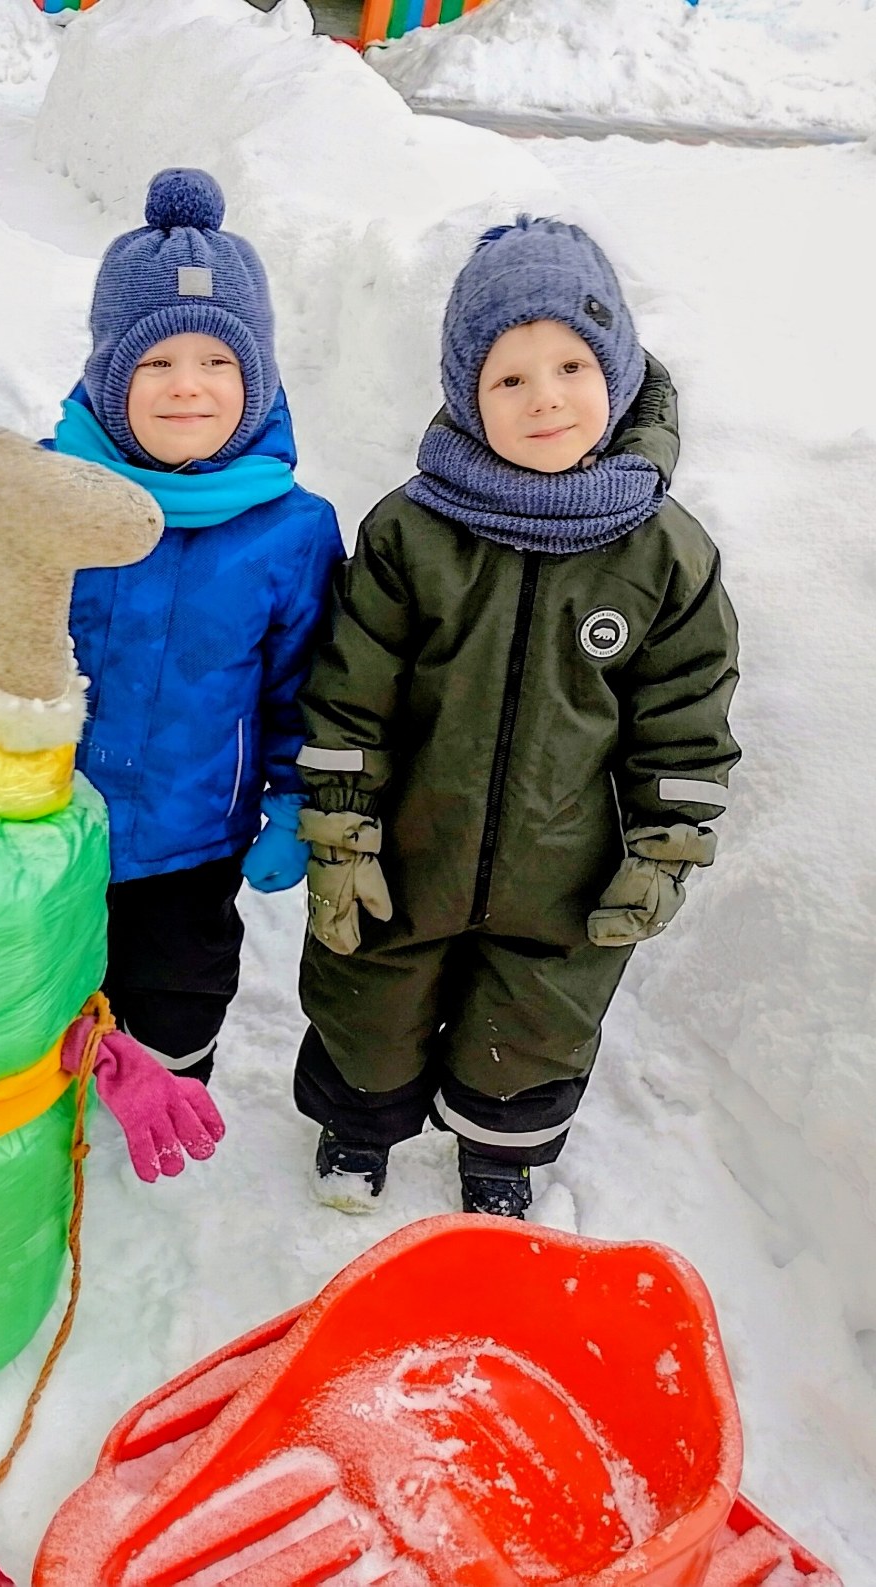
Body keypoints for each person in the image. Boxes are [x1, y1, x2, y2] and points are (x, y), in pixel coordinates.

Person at [294, 216, 740, 1218]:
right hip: (411, 847)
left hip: (566, 866)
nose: (546, 399)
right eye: (509, 378)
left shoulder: (666, 554)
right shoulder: (412, 531)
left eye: (572, 366)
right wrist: (338, 825)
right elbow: (350, 688)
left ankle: (499, 1149)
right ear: (466, 394)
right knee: (371, 993)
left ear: (618, 373)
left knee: (537, 1019)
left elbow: (686, 709)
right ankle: (357, 1125)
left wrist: (666, 844)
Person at [48, 168, 343, 1087]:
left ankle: (166, 1094)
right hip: (50, 818)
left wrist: (293, 800)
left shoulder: (292, 530)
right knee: (47, 988)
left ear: (255, 378)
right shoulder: (54, 491)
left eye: (218, 363)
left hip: (195, 835)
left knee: (177, 997)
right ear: (108, 372)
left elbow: (305, 682)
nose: (188, 388)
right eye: (154, 362)